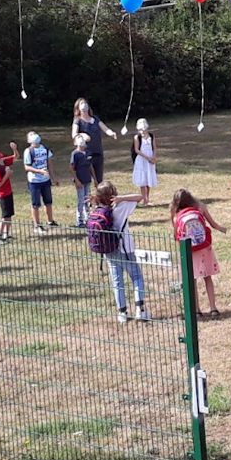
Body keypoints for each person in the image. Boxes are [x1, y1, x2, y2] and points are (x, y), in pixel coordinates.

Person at [91, 181, 149, 323]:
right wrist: (122, 198)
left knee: (117, 281)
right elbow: (140, 197)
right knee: (136, 277)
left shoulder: (99, 209)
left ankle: (122, 312)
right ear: (113, 194)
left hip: (109, 249)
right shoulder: (122, 206)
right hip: (125, 248)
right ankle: (140, 310)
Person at [170, 189, 227, 317]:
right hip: (205, 247)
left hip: (190, 250)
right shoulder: (200, 207)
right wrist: (222, 229)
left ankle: (197, 310)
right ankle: (213, 308)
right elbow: (213, 224)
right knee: (208, 277)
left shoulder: (176, 216)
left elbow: (177, 236)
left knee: (193, 280)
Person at [71, 97, 117, 185]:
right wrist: (82, 135)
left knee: (99, 180)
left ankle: (100, 197)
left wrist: (111, 133)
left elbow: (105, 128)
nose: (84, 105)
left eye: (85, 103)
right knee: (85, 180)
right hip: (85, 154)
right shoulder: (78, 120)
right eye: (81, 103)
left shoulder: (95, 119)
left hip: (97, 152)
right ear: (78, 107)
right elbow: (74, 134)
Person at [24, 131, 58, 235]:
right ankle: (37, 225)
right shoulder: (28, 151)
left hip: (45, 180)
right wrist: (39, 171)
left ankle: (50, 221)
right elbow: (27, 167)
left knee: (48, 202)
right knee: (35, 204)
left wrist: (53, 178)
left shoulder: (45, 149)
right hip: (34, 181)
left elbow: (50, 164)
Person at [131, 118, 157, 206]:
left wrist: (153, 157)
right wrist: (147, 158)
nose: (142, 131)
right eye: (140, 129)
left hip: (150, 159)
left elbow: (154, 147)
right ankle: (144, 199)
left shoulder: (151, 136)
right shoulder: (137, 137)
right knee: (143, 180)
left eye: (144, 129)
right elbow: (137, 150)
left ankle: (147, 198)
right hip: (142, 160)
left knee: (148, 178)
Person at [70, 134, 94, 227]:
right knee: (81, 200)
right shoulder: (75, 154)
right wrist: (77, 180)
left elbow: (90, 166)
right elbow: (72, 168)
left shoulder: (88, 153)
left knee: (87, 199)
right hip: (80, 180)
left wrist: (94, 179)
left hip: (87, 179)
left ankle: (88, 218)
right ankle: (79, 220)